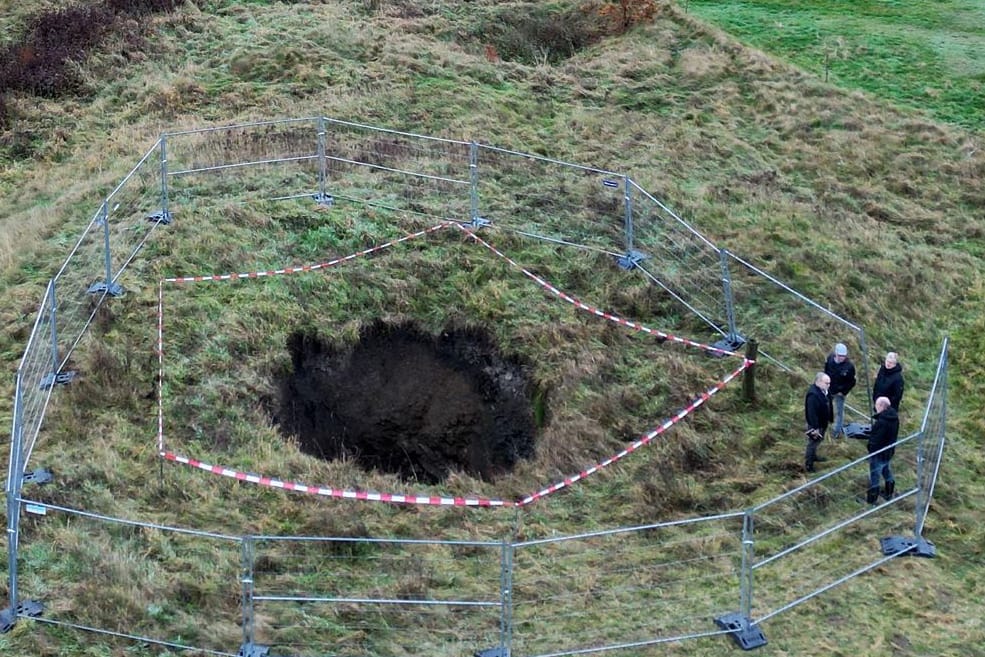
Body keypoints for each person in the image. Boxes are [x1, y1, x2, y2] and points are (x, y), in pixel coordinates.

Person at [865, 396, 899, 504]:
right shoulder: (894, 418)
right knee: (886, 470)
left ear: (881, 406)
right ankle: (889, 492)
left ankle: (872, 500)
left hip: (878, 453)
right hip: (888, 451)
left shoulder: (882, 422)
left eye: (876, 405)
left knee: (875, 476)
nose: (875, 408)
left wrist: (870, 448)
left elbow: (877, 439)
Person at [824, 342, 856, 438]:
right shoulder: (829, 360)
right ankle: (825, 423)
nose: (842, 358)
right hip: (829, 389)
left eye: (844, 356)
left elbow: (852, 382)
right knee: (826, 406)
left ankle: (837, 431)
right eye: (840, 356)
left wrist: (843, 392)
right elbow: (825, 372)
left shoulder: (849, 367)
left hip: (840, 393)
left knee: (839, 411)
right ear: (836, 354)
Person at [803, 372, 833, 473]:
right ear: (818, 381)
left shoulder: (824, 391)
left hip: (822, 422)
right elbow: (812, 413)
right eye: (826, 383)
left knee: (817, 442)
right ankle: (809, 463)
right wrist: (815, 428)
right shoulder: (813, 395)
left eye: (829, 383)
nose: (828, 385)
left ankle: (813, 456)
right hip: (816, 425)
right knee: (812, 443)